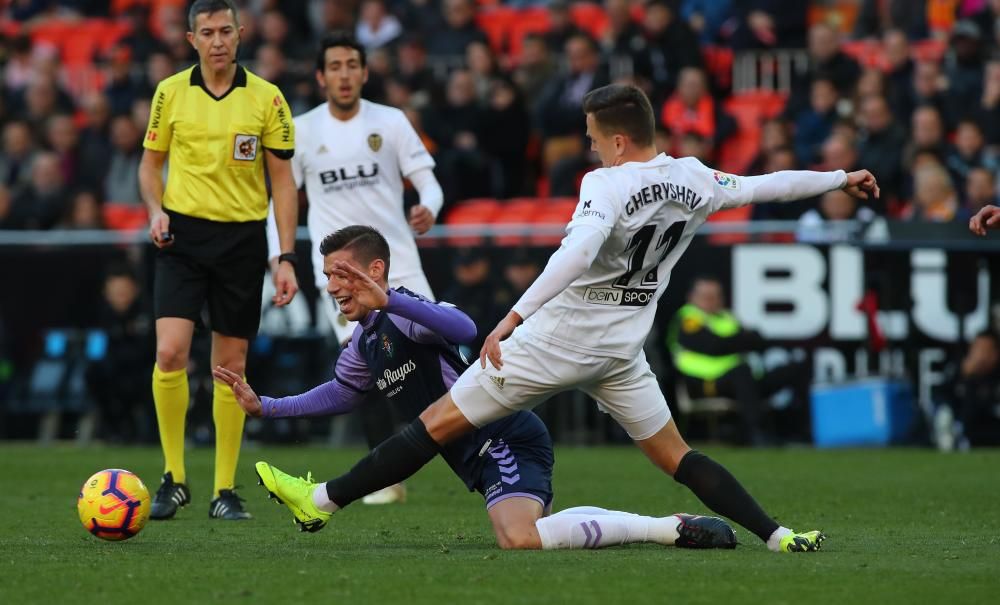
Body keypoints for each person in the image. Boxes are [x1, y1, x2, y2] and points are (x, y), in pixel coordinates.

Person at [256, 84, 880, 552]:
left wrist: (511, 318)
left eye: (590, 136)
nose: (587, 146)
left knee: (436, 423)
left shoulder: (603, 185)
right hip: (621, 351)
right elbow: (765, 186)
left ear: (615, 139)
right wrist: (837, 177)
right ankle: (779, 537)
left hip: (558, 339)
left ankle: (318, 501)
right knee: (676, 457)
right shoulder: (695, 178)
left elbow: (577, 253)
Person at [218, 225, 737, 550]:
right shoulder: (365, 341)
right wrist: (267, 406)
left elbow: (465, 328)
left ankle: (665, 529)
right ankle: (672, 525)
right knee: (541, 530)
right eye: (327, 276)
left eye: (340, 274)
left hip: (503, 434)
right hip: (472, 450)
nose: (331, 286)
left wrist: (392, 302)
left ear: (375, 270)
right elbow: (341, 391)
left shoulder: (406, 312)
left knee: (518, 538)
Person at [265, 32, 444, 505]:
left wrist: (429, 206)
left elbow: (428, 181)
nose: (344, 74)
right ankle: (385, 480)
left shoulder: (391, 122)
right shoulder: (301, 130)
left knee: (433, 359)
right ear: (322, 76)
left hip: (398, 265)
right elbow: (279, 201)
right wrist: (279, 258)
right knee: (364, 363)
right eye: (335, 66)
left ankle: (475, 447)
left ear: (364, 72)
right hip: (341, 275)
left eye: (352, 65)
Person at [138, 0, 299, 521]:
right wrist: (154, 210)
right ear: (191, 40)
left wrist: (286, 257)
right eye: (206, 32)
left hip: (242, 241)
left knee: (230, 367)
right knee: (170, 352)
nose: (217, 41)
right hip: (182, 238)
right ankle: (174, 477)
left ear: (241, 33)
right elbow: (149, 166)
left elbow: (282, 183)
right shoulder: (170, 92)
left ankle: (223, 490)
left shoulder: (267, 98)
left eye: (225, 30)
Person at [667, 277, 812, 445]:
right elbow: (713, 346)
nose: (711, 301)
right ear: (691, 297)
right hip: (705, 383)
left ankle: (803, 430)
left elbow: (758, 341)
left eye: (715, 296)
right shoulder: (688, 318)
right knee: (741, 372)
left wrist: (741, 340)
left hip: (742, 382)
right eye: (706, 296)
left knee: (796, 367)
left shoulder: (727, 317)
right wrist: (743, 340)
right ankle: (756, 433)